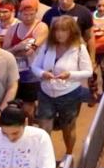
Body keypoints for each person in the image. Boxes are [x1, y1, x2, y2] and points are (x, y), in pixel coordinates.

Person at [31, 16, 94, 160]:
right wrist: (42, 73)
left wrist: (69, 74)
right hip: (46, 92)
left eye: (64, 30)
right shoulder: (48, 45)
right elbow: (35, 65)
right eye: (57, 30)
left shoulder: (79, 48)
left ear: (71, 31)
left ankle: (69, 154)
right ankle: (44, 158)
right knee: (44, 127)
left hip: (69, 94)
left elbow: (88, 71)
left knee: (68, 127)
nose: (59, 34)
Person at [5, 0, 50, 121]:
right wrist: (18, 47)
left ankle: (30, 125)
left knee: (27, 107)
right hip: (16, 71)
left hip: (32, 72)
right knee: (15, 104)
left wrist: (17, 50)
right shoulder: (13, 29)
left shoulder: (41, 27)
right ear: (20, 14)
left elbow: (30, 50)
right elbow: (5, 53)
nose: (29, 17)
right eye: (25, 14)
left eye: (32, 14)